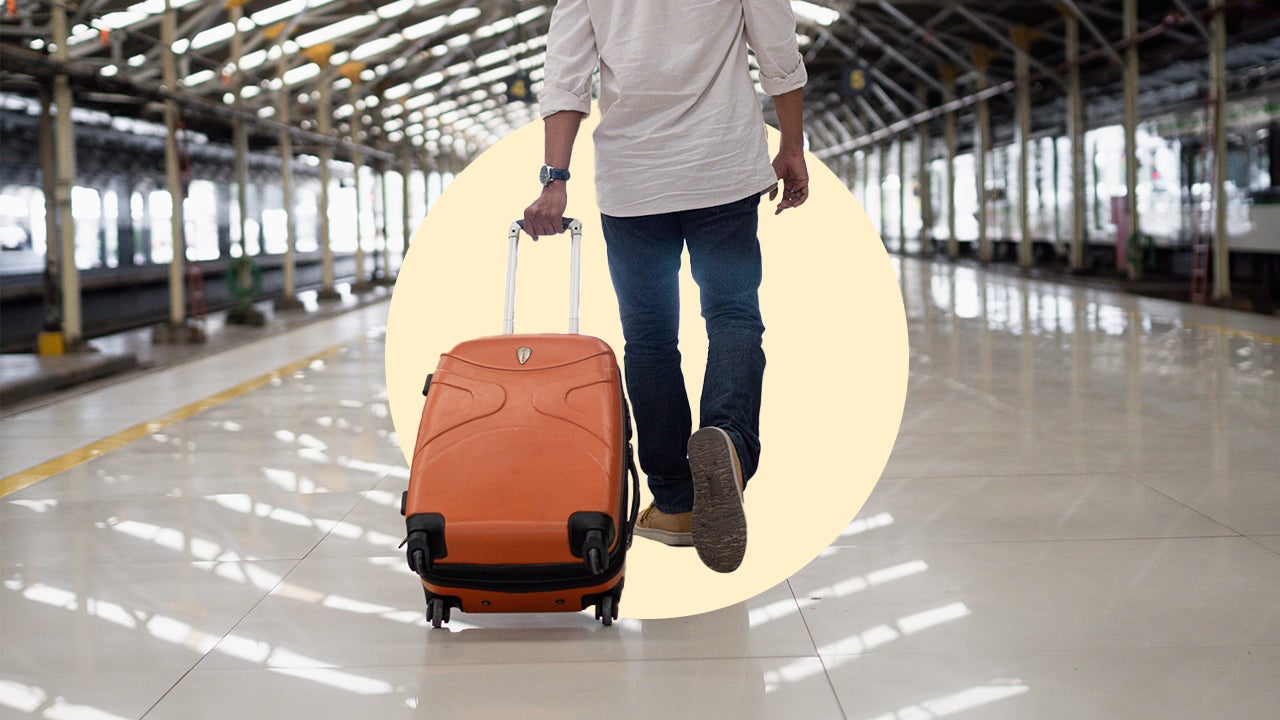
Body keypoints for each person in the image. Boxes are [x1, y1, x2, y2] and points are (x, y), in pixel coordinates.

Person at [523, 0, 808, 573]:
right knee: (733, 316)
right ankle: (727, 440)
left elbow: (566, 77)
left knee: (650, 341)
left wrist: (554, 182)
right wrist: (792, 146)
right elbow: (777, 51)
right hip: (722, 170)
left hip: (634, 185)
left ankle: (677, 502)